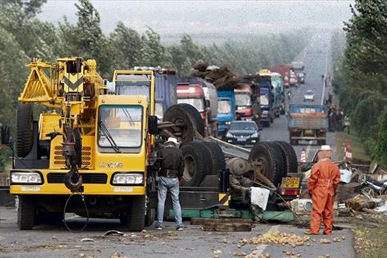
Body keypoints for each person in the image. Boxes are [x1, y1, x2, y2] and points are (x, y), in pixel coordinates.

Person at [307, 145, 340, 235]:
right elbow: (337, 181)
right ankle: (328, 230)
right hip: (330, 189)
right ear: (329, 153)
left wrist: (310, 190)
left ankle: (314, 230)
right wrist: (334, 190)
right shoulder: (334, 166)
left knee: (317, 210)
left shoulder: (317, 165)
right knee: (328, 210)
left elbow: (312, 179)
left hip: (320, 189)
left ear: (321, 153)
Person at [154, 137, 184, 231]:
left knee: (161, 201)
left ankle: (159, 224)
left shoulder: (162, 151)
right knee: (176, 201)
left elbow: (157, 165)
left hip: (163, 178)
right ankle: (179, 224)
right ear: (175, 144)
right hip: (174, 179)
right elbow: (182, 167)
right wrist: (179, 177)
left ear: (167, 143)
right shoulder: (179, 152)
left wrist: (157, 173)